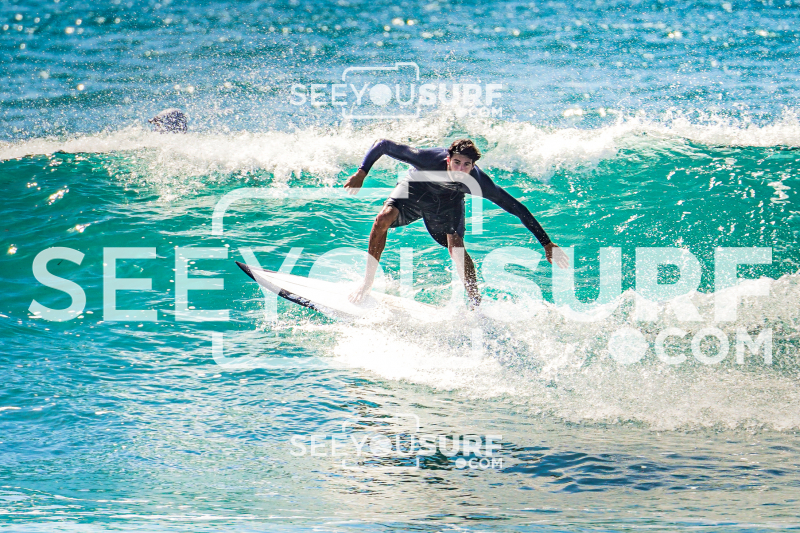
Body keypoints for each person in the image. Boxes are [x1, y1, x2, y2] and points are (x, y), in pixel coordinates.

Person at [344, 138, 569, 307]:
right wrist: (362, 172)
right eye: (457, 163)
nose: (460, 169)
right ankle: (367, 282)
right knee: (382, 219)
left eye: (466, 165)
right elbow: (383, 145)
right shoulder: (428, 159)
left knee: (456, 246)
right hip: (416, 187)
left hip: (448, 201)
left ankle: (475, 302)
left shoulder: (478, 181)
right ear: (448, 160)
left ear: (473, 166)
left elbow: (516, 208)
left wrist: (546, 243)